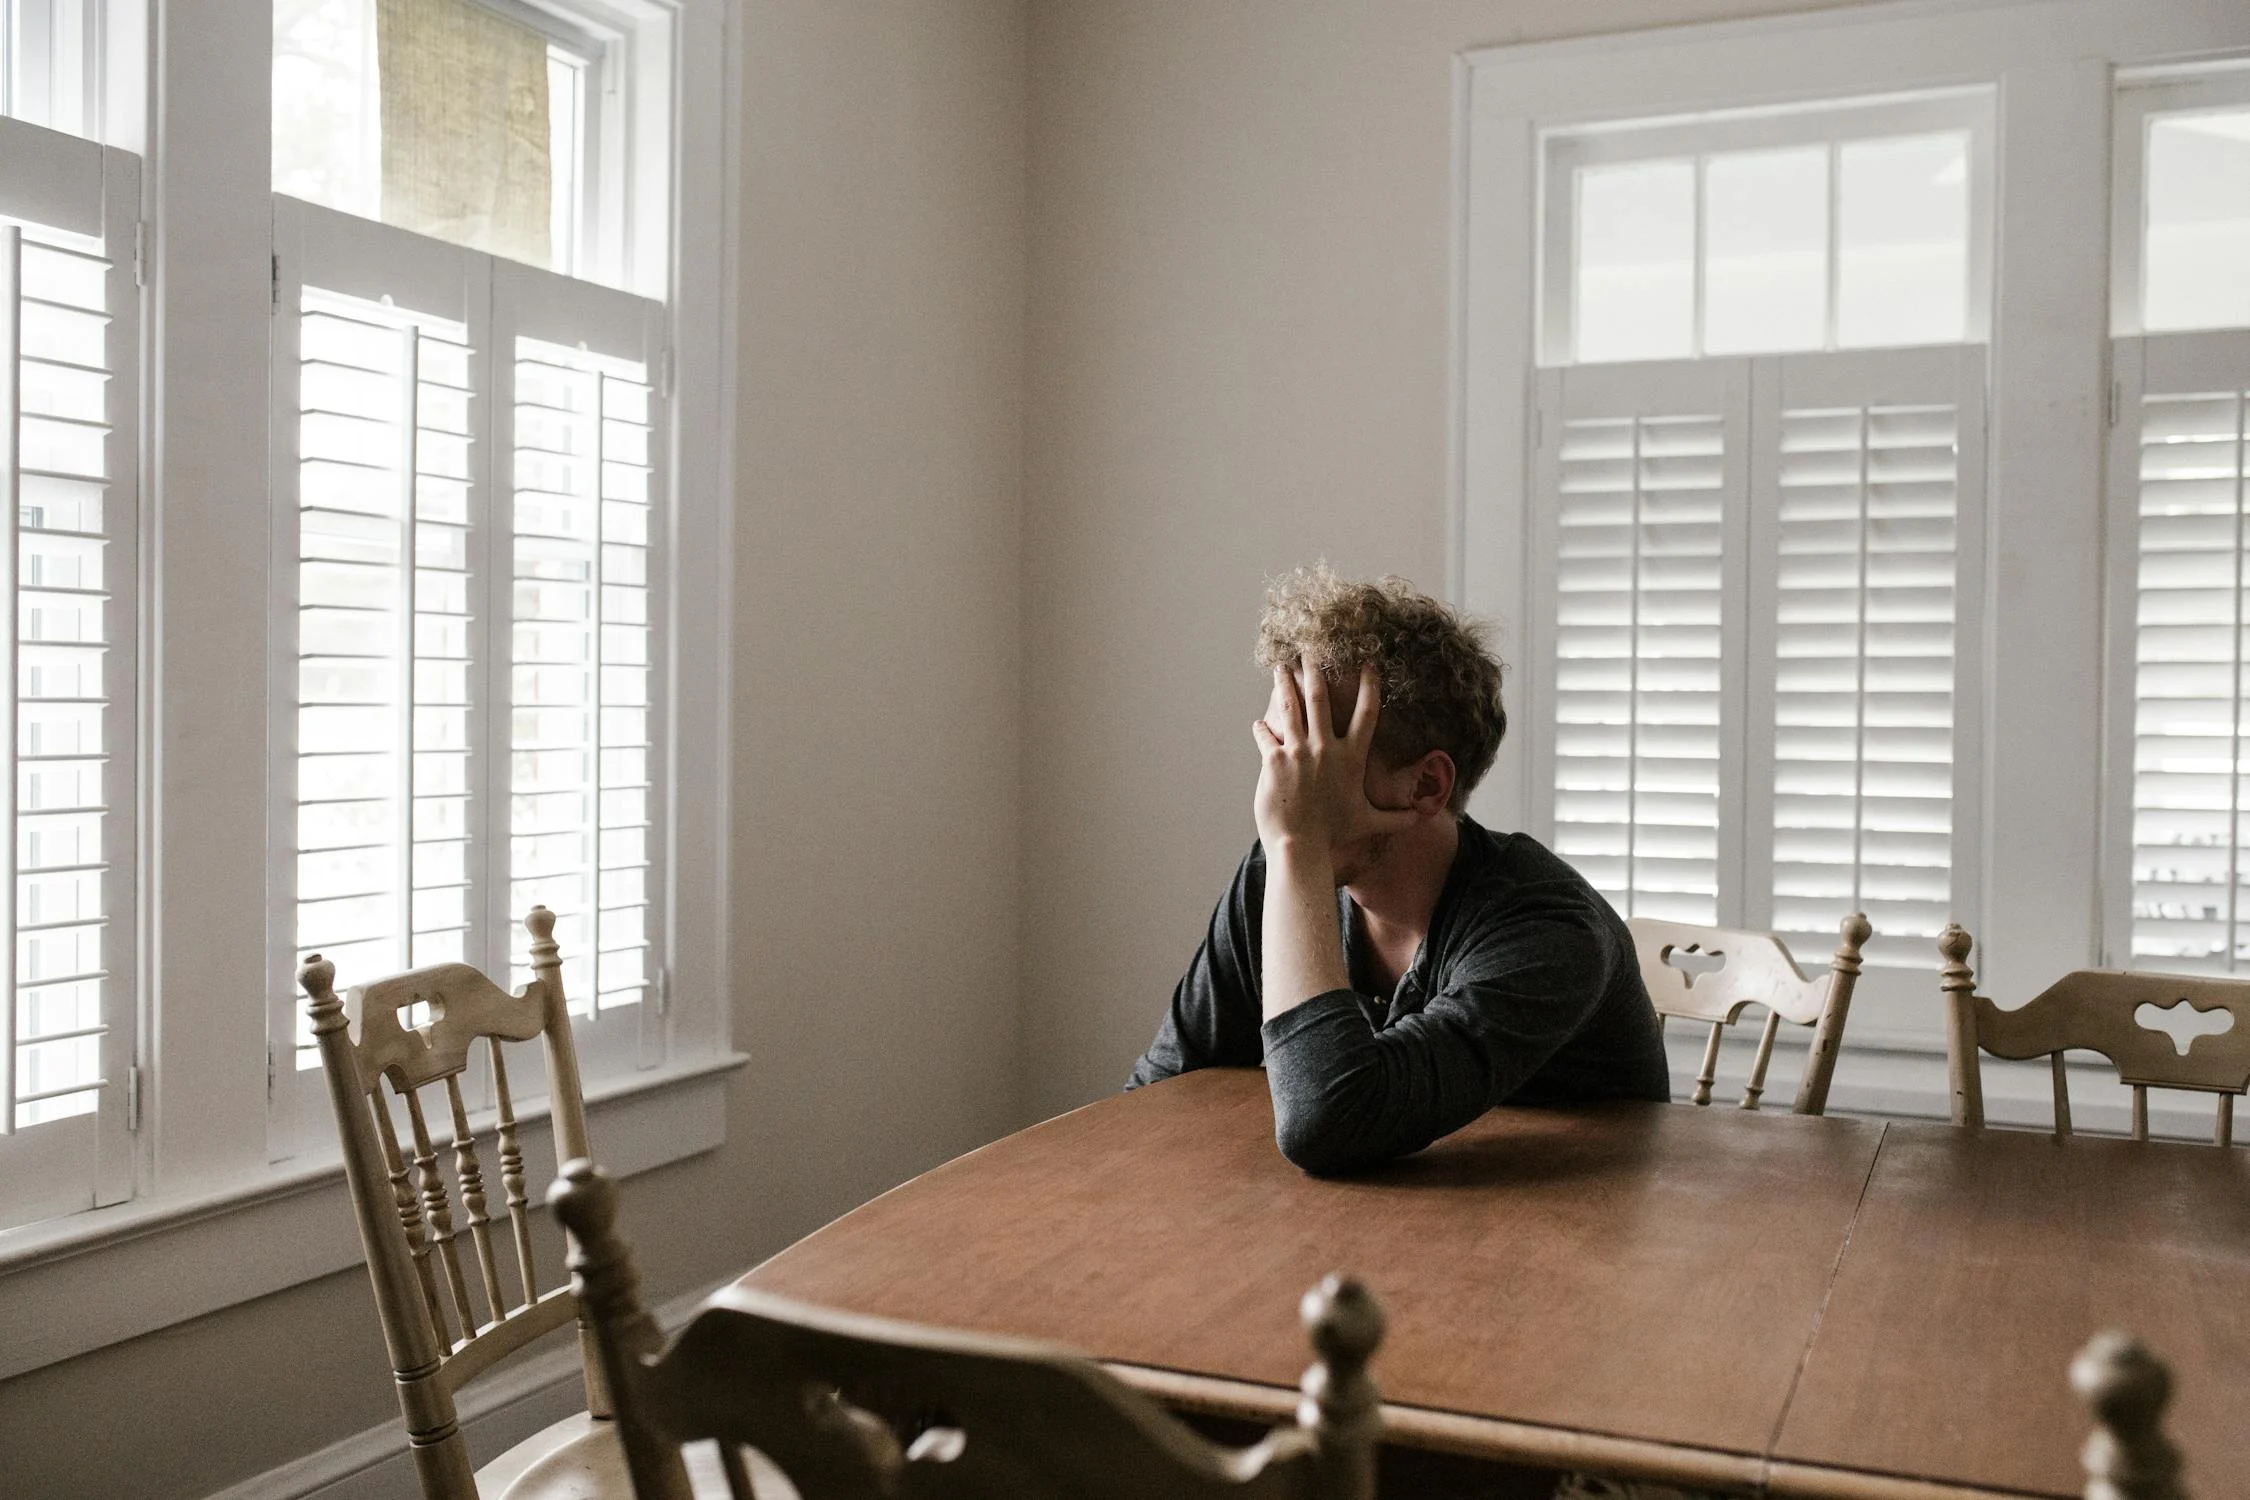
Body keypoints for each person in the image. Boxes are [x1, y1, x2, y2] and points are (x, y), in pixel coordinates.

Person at [1130, 564, 1669, 1173]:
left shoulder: (1549, 930)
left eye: (1314, 756)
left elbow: (1328, 1122)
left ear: (1426, 785)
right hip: (1377, 1227)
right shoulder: (1277, 873)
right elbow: (1158, 1094)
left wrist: (1297, 848)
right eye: (1278, 750)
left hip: (1577, 1236)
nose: (1278, 790)